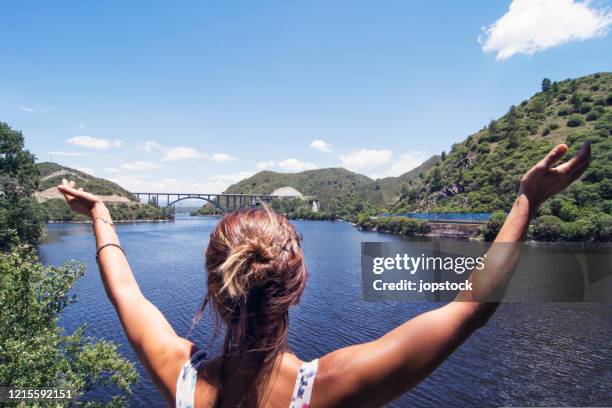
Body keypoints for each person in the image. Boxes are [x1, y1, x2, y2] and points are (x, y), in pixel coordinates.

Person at [57, 142, 591, 407]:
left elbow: (125, 291)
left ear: (214, 287)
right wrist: (526, 201)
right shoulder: (327, 389)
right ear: (297, 285)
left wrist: (102, 215)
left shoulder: (183, 380)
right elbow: (470, 310)